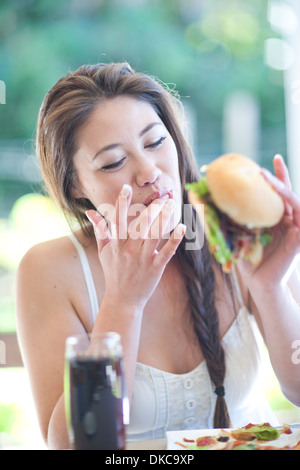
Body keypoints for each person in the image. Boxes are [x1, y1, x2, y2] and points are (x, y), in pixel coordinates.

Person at [16, 62, 300, 450]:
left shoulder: (230, 230)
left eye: (155, 142)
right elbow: (75, 444)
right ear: (76, 186)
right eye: (114, 162)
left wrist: (271, 288)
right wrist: (123, 303)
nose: (149, 171)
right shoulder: (50, 269)